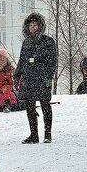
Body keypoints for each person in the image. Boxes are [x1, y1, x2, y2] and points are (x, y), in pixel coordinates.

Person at [13, 13, 57, 143]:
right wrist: (17, 76)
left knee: (45, 106)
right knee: (30, 107)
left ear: (40, 26)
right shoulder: (26, 42)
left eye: (35, 24)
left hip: (42, 78)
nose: (33, 27)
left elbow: (52, 61)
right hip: (28, 78)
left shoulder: (48, 41)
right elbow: (22, 61)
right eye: (30, 25)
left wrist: (49, 76)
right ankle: (34, 135)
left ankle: (47, 134)